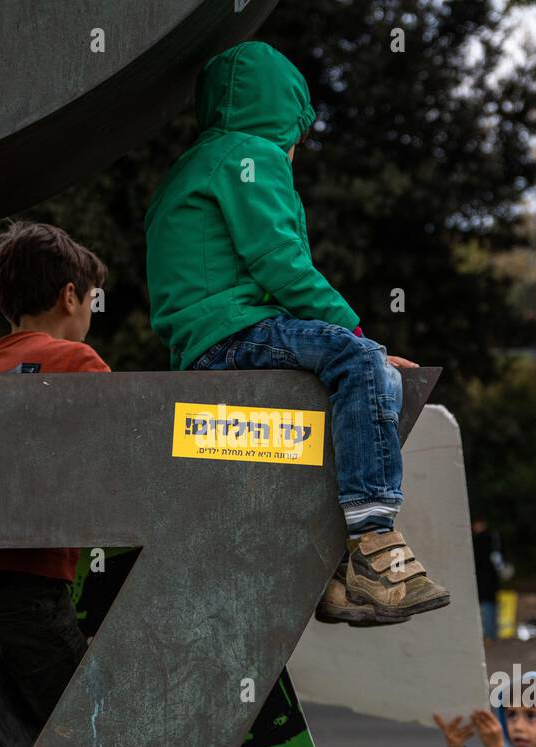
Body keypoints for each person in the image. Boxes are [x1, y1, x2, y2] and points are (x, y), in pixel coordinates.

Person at [144, 40, 449, 625]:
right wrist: (360, 337)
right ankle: (374, 546)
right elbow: (280, 260)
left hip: (203, 343)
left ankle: (330, 571)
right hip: (236, 331)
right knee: (360, 367)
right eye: (297, 142)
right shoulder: (247, 155)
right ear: (281, 120)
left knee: (332, 395)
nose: (293, 156)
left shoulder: (193, 164)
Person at [0, 221, 109, 731]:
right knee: (90, 732)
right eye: (94, 303)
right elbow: (122, 464)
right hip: (28, 584)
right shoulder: (76, 361)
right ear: (70, 296)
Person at [472, 517, 502, 641]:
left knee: (486, 605)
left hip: (483, 579)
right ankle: (493, 632)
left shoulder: (479, 540)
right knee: (491, 604)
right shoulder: (494, 537)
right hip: (492, 578)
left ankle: (489, 633)